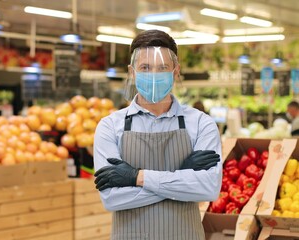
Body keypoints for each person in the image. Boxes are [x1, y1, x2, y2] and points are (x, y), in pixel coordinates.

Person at [93, 30, 222, 240]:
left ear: (176, 71)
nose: (153, 75)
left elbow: (208, 189)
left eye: (162, 68)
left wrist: (136, 177)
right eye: (145, 67)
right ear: (132, 71)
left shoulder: (201, 124)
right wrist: (182, 177)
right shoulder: (109, 127)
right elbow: (111, 198)